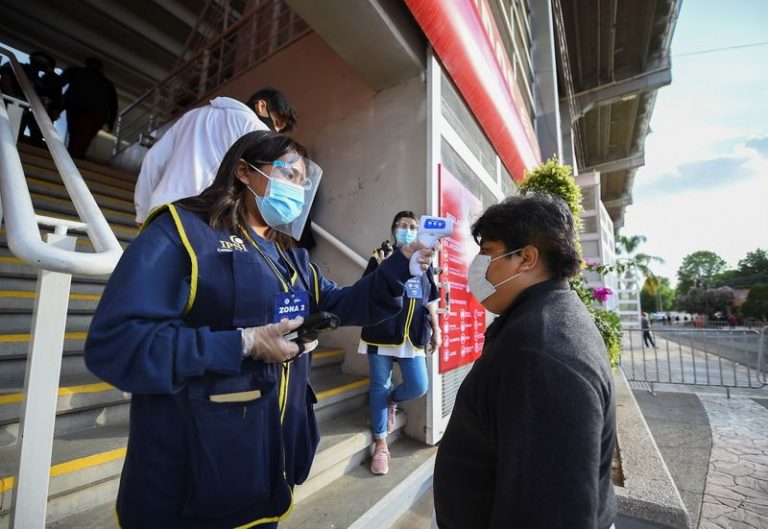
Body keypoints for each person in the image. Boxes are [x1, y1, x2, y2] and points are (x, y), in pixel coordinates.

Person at [84, 130, 433, 528]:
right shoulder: (181, 233)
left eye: (304, 181)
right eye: (289, 174)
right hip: (191, 479)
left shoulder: (293, 258)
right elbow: (117, 343)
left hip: (265, 467)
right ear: (245, 172)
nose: (298, 189)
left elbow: (347, 304)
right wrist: (243, 343)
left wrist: (400, 264)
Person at [432, 193, 617, 529]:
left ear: (527, 258)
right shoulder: (544, 319)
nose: (478, 265)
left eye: (487, 252)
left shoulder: (541, 354)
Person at [134, 87, 297, 224]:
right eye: (277, 123)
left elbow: (154, 159)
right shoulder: (255, 127)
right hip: (199, 215)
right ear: (262, 106)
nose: (274, 131)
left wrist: (142, 212)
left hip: (160, 207)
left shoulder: (193, 115)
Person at [358, 211, 441, 475]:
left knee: (419, 385)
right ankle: (380, 443)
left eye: (413, 226)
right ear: (394, 230)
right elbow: (364, 289)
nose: (408, 229)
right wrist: (382, 267)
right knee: (378, 385)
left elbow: (430, 299)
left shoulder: (425, 259)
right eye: (403, 226)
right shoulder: (380, 254)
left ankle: (391, 400)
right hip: (382, 332)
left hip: (413, 334)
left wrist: (437, 330)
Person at [0, 51, 61, 146]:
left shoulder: (40, 81)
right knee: (5, 133)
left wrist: (42, 100)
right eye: (41, 60)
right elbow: (5, 79)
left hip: (23, 110)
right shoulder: (16, 66)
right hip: (9, 104)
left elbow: (36, 96)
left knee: (13, 137)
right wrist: (13, 99)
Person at [61, 57, 118, 158]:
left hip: (75, 108)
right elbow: (113, 105)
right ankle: (73, 160)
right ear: (101, 69)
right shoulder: (107, 84)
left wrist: (58, 107)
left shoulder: (76, 72)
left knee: (74, 135)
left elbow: (59, 85)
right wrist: (110, 123)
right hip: (96, 114)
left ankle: (70, 158)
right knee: (83, 139)